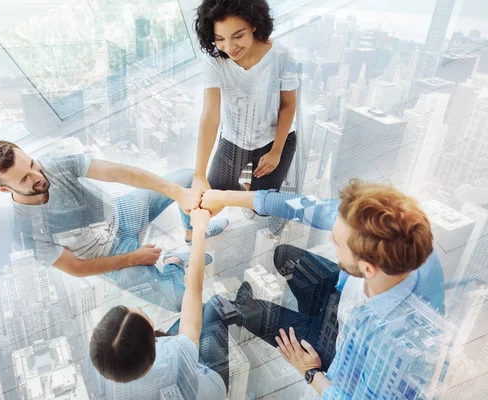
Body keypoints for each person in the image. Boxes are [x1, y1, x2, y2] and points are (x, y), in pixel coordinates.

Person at [201, 180, 448, 398]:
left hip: (333, 348)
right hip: (337, 301)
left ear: (367, 269)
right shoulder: (394, 239)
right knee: (284, 255)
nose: (330, 239)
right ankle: (307, 315)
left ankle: (300, 328)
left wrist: (311, 373)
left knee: (223, 309)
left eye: (338, 242)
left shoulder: (392, 343)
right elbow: (308, 207)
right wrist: (225, 197)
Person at [0, 140, 226, 312]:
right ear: (4, 189)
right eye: (25, 178)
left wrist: (174, 192)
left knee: (187, 178)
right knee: (179, 302)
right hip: (109, 256)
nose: (38, 176)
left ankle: (193, 236)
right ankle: (174, 262)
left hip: (123, 211)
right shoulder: (25, 230)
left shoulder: (54, 165)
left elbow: (118, 173)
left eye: (31, 164)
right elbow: (78, 268)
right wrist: (132, 258)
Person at [183, 0, 299, 240]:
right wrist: (199, 173)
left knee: (262, 208)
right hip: (234, 138)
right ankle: (237, 191)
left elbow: (288, 106)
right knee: (207, 200)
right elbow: (210, 114)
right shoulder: (214, 60)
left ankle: (246, 189)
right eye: (220, 39)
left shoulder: (283, 55)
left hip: (275, 138)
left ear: (254, 24)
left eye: (237, 36)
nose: (229, 46)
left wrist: (276, 151)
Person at [89, 209, 226, 400]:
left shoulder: (111, 374)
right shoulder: (175, 354)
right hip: (211, 389)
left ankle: (173, 263)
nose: (139, 309)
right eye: (144, 317)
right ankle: (174, 263)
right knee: (214, 306)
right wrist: (199, 230)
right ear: (153, 340)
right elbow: (194, 290)